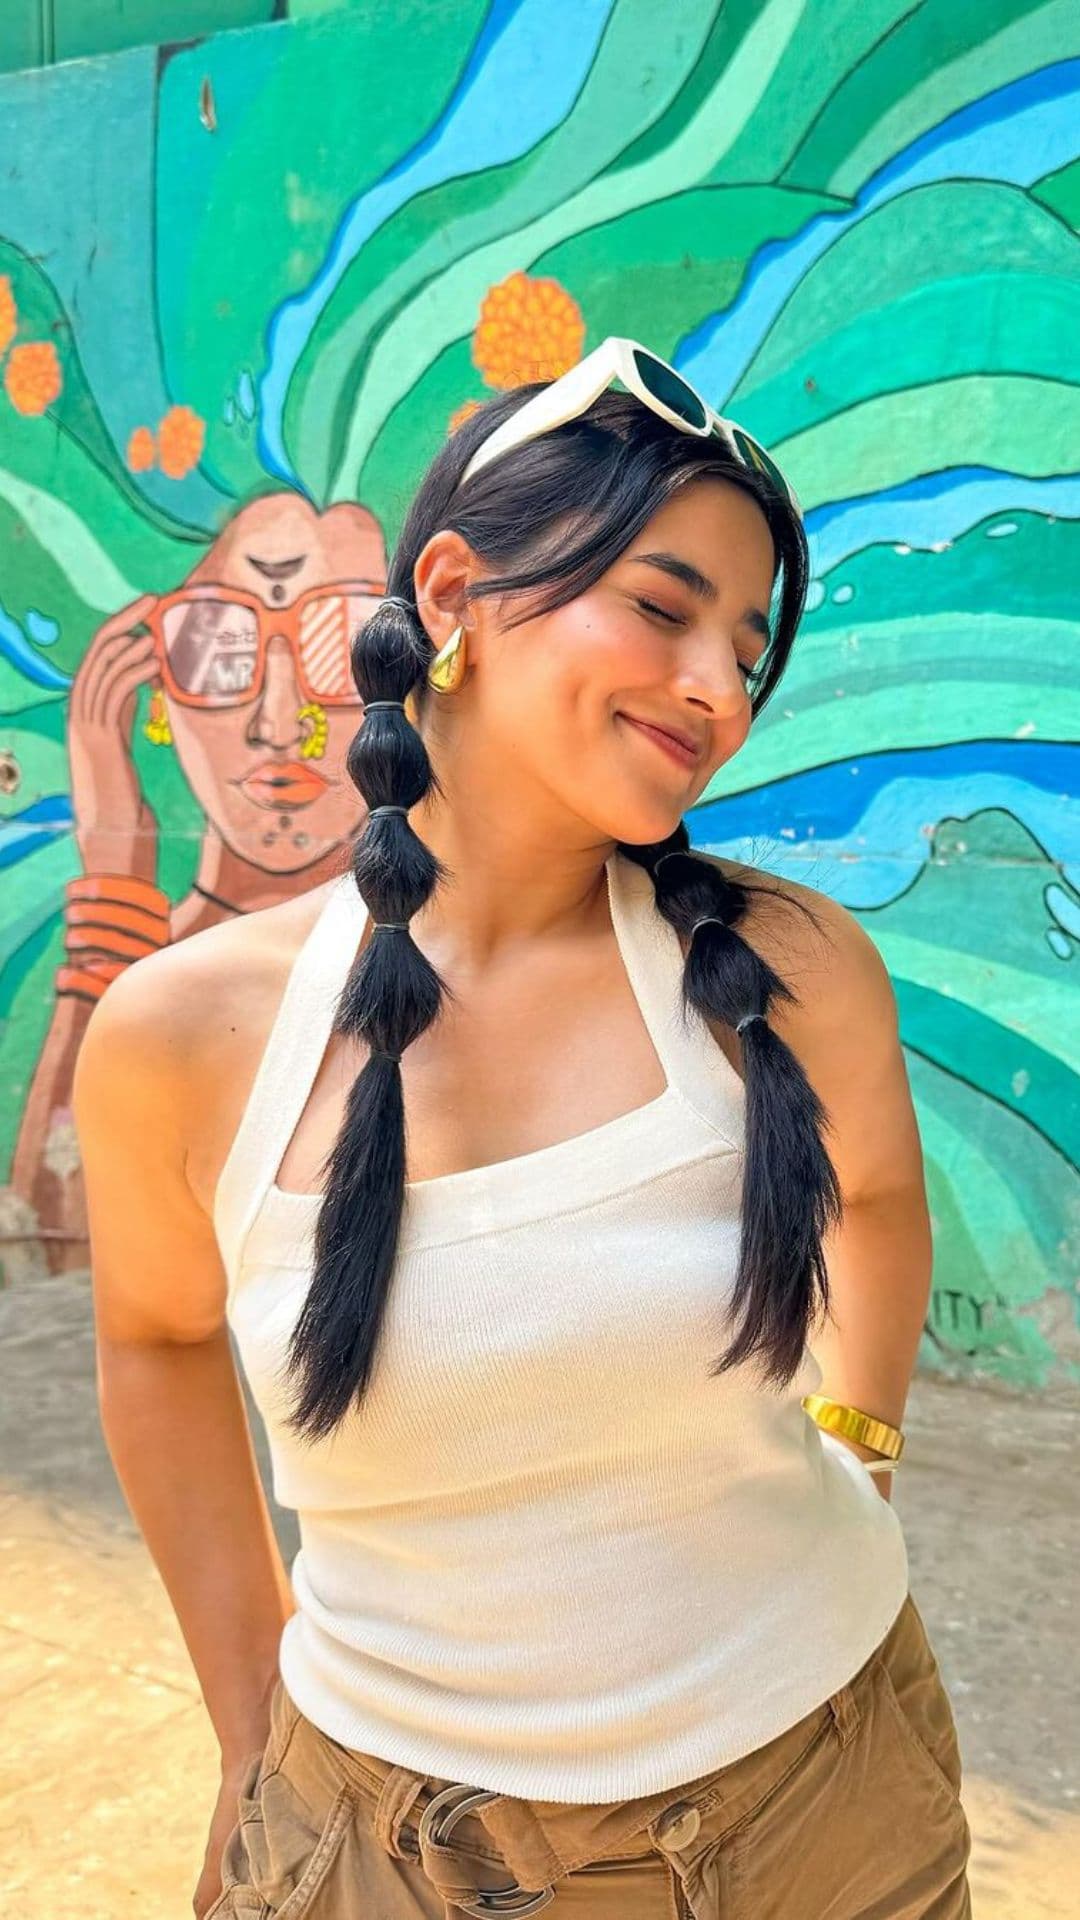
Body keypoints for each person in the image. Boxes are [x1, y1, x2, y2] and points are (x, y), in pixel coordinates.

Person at [73, 338, 972, 1918]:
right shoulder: (188, 1040)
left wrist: (861, 1449)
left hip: (836, 1789)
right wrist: (245, 1726)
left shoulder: (790, 972)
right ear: (457, 592)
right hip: (401, 1850)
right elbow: (154, 1340)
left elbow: (879, 1203)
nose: (717, 688)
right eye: (663, 604)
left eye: (748, 649)